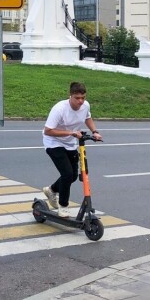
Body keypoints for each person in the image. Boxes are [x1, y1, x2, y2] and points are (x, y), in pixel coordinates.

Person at [42, 82, 102, 218]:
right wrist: (70, 133)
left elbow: (87, 117)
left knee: (74, 176)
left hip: (70, 143)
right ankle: (63, 206)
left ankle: (51, 190)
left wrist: (95, 131)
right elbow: (48, 131)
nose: (80, 101)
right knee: (67, 174)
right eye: (77, 98)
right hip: (53, 142)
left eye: (83, 97)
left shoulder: (85, 106)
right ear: (70, 96)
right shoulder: (59, 109)